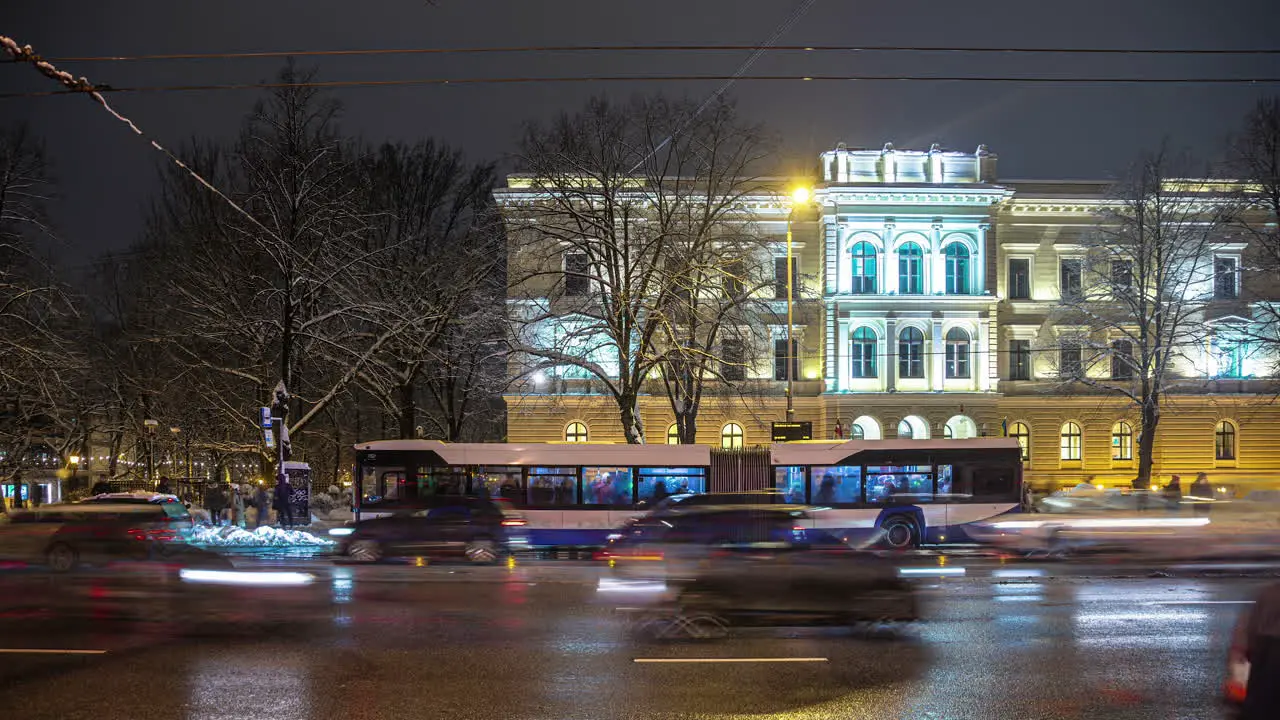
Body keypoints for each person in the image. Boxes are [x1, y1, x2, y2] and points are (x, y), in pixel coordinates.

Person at [1230, 581, 1280, 718]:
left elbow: (1250, 627)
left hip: (1264, 651)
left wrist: (1244, 652)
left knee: (1261, 702)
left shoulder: (1267, 593)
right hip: (1268, 649)